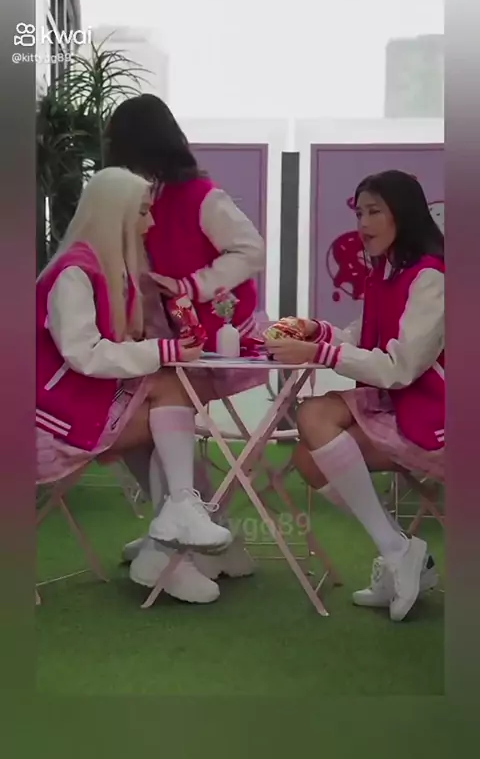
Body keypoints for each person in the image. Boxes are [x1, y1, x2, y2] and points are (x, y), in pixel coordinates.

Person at [36, 166, 245, 605]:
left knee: (165, 400)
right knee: (168, 395)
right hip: (47, 421)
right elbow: (84, 354)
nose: (151, 223)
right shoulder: (76, 273)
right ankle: (171, 538)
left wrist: (161, 348)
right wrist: (163, 350)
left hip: (70, 406)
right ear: (117, 215)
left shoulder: (101, 269)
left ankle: (171, 537)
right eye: (144, 212)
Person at [265, 170, 444, 622]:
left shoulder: (430, 278)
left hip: (438, 414)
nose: (363, 223)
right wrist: (317, 331)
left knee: (313, 439)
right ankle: (397, 549)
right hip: (399, 404)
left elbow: (400, 367)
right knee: (310, 440)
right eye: (360, 212)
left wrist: (320, 352)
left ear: (403, 213)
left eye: (374, 212)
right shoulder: (386, 271)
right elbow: (364, 338)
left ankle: (399, 551)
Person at [104, 94, 266, 575]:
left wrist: (194, 285)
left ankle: (180, 533)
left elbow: (251, 251)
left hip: (215, 339)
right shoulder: (140, 197)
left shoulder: (201, 195)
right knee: (140, 423)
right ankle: (184, 525)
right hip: (166, 342)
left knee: (151, 416)